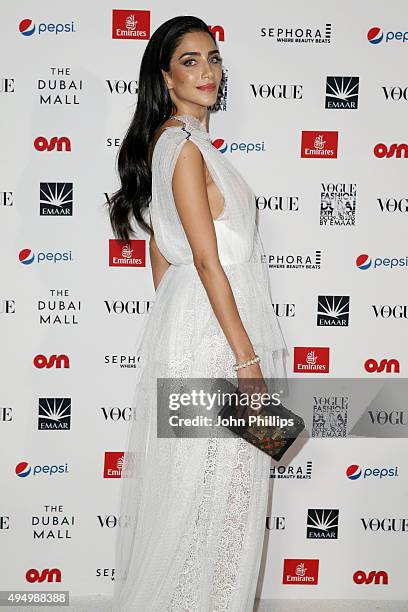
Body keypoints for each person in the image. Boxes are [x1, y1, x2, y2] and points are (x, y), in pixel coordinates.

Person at [107, 15, 288, 612]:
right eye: (190, 61)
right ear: (165, 75)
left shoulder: (177, 144)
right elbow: (207, 263)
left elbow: (163, 251)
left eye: (212, 58)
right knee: (214, 491)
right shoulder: (183, 148)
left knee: (205, 488)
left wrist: (175, 326)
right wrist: (247, 360)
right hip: (218, 335)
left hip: (200, 327)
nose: (206, 71)